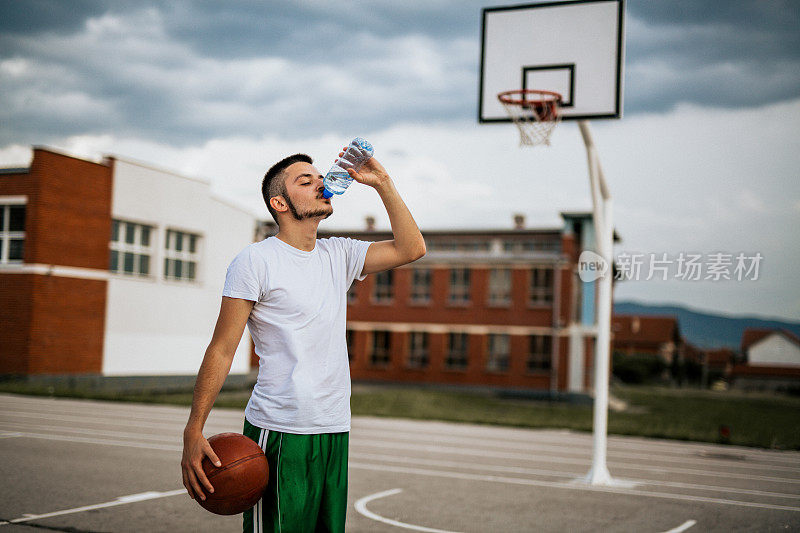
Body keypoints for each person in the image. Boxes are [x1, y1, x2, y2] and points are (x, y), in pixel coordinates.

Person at [180, 149, 426, 532]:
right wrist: (194, 430)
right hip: (279, 429)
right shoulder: (255, 261)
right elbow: (222, 349)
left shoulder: (339, 253)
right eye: (305, 181)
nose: (321, 184)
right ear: (280, 203)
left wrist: (382, 183)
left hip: (333, 427)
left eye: (319, 177)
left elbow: (412, 249)